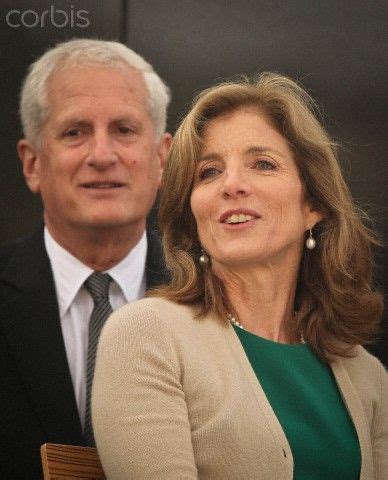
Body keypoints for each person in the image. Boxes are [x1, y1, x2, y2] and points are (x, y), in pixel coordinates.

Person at [93, 73, 387, 479]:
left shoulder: (367, 374)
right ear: (193, 215)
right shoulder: (145, 334)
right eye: (209, 172)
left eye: (262, 164)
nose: (231, 185)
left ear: (314, 205)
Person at [0, 38, 172, 479]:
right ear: (33, 163)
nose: (102, 155)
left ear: (161, 159)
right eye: (75, 132)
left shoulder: (216, 298)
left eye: (125, 130)